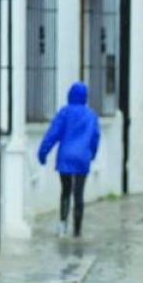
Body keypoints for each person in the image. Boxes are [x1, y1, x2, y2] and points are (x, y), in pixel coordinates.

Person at [38, 82, 101, 238]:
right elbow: (95, 138)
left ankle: (62, 226)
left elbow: (53, 133)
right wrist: (92, 154)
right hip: (82, 158)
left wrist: (43, 152)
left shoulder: (64, 113)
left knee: (66, 191)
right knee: (79, 194)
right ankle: (77, 231)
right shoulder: (91, 115)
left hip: (65, 157)